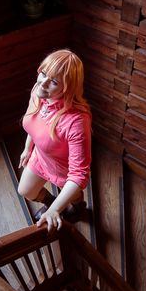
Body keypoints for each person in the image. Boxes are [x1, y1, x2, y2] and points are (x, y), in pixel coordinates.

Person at [18, 49, 92, 232]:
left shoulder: (76, 121)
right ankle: (53, 203)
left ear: (67, 88)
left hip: (63, 169)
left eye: (54, 82)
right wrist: (28, 148)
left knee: (73, 196)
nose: (43, 83)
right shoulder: (39, 92)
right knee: (25, 190)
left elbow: (78, 174)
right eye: (43, 73)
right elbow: (35, 124)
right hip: (41, 156)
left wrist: (54, 211)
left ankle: (77, 207)